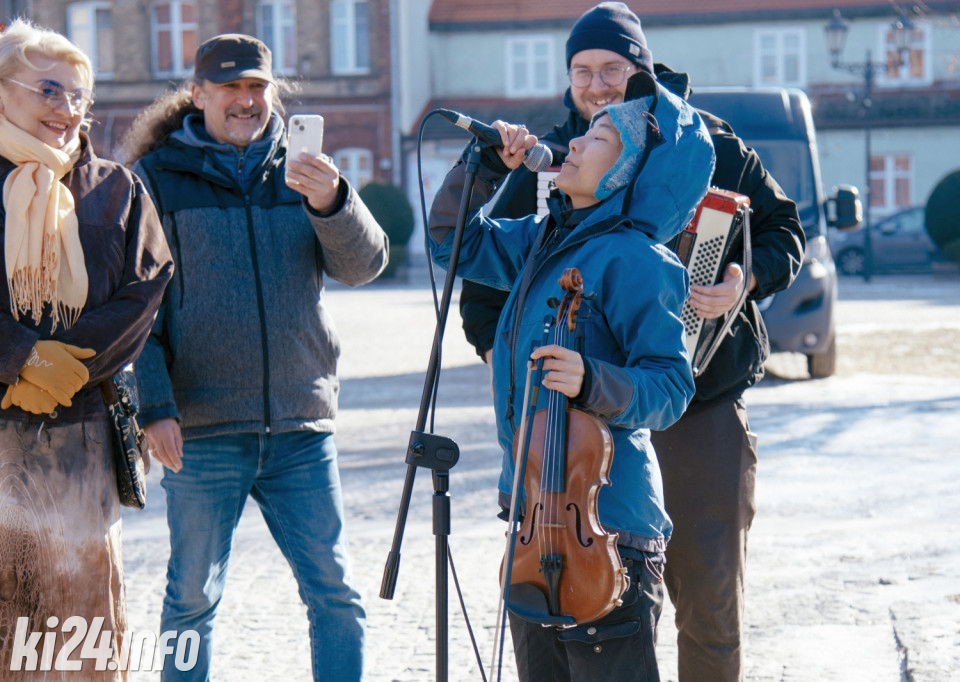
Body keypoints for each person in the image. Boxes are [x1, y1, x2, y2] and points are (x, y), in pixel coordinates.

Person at [456, 3, 806, 680]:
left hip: (700, 397)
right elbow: (484, 283)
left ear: (639, 69)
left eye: (611, 68)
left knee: (706, 597)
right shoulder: (557, 156)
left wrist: (743, 279)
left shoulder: (708, 142)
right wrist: (510, 363)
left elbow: (784, 225)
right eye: (581, 71)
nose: (596, 85)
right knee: (587, 600)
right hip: (580, 424)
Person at [118, 34, 388, 681]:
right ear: (199, 94)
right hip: (202, 430)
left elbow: (365, 265)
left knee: (337, 597)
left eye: (257, 87)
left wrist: (332, 201)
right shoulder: (156, 178)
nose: (246, 100)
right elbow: (137, 308)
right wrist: (153, 407)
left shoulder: (305, 169)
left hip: (300, 425)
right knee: (190, 600)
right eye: (232, 87)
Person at [430, 69, 714, 681]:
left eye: (598, 141)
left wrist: (592, 381)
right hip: (536, 522)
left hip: (609, 532)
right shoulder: (543, 243)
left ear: (626, 175)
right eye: (583, 135)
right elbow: (451, 243)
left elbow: (671, 388)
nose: (576, 144)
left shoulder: (640, 260)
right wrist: (486, 165)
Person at [0, 18, 173, 679]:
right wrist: (17, 357)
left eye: (78, 95)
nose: (67, 110)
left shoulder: (114, 188)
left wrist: (60, 369)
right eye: (49, 90)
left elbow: (144, 290)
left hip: (79, 443)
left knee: (83, 628)